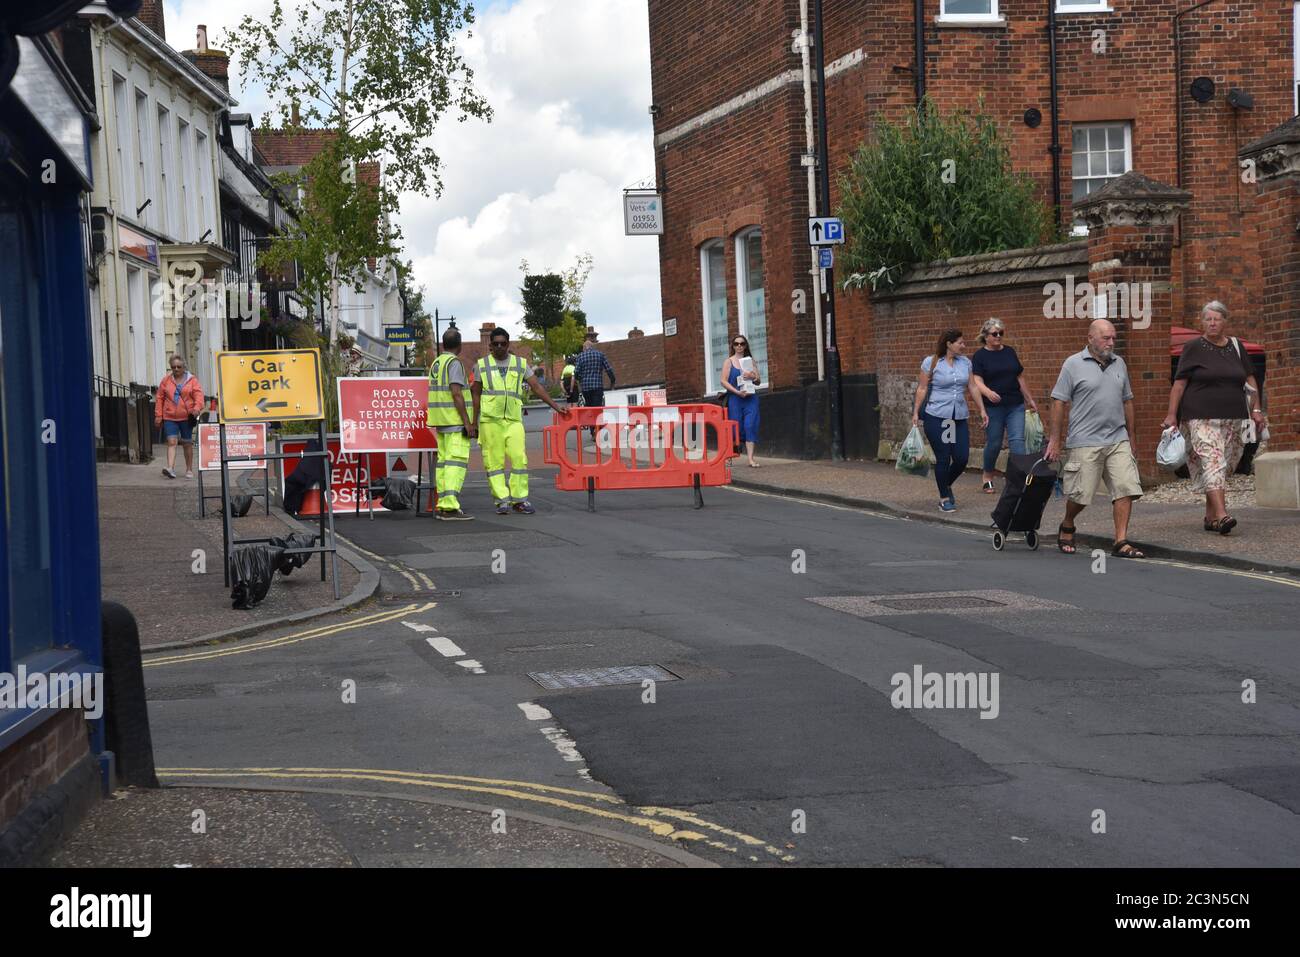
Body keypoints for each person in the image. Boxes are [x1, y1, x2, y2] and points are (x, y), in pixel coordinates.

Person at [1161, 301, 1267, 535]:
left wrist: (1257, 410)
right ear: (1202, 322)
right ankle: (1222, 515)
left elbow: (1250, 380)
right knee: (1213, 461)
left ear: (1224, 321)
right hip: (1200, 416)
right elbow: (1179, 385)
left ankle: (1210, 517)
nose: (1211, 323)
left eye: (1216, 319)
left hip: (1235, 417)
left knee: (1225, 465)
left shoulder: (1237, 347)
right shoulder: (1193, 348)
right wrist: (1171, 415)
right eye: (1207, 319)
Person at [1045, 319, 1145, 559]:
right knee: (1081, 494)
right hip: (1085, 439)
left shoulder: (1119, 363)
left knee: (1125, 487)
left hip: (1117, 438)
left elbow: (1127, 400)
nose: (1111, 342)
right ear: (1090, 338)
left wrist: (1132, 437)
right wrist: (1055, 440)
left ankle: (1120, 541)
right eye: (1105, 338)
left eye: (1113, 338)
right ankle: (1068, 523)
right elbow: (1059, 401)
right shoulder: (1072, 364)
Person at [471, 327, 570, 515]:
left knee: (519, 459)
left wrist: (556, 406)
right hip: (490, 421)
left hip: (513, 420)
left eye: (503, 343)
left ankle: (519, 500)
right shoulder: (481, 365)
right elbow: (475, 394)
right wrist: (473, 422)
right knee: (494, 463)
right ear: (490, 345)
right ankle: (501, 501)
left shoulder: (520, 363)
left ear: (508, 344)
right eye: (496, 344)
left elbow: (536, 387)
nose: (500, 347)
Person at [912, 329, 987, 512]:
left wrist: (982, 410)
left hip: (957, 417)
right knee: (944, 457)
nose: (963, 345)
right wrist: (915, 412)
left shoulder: (965, 363)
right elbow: (922, 388)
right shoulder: (931, 362)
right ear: (949, 344)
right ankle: (944, 497)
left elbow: (972, 386)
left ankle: (945, 485)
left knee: (961, 458)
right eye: (960, 342)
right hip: (937, 416)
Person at [970, 318, 1040, 492]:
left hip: (1015, 405)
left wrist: (1029, 399)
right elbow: (976, 380)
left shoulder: (1009, 351)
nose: (999, 336)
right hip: (993, 408)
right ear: (986, 336)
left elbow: (1019, 377)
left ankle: (1018, 479)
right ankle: (987, 475)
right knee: (994, 443)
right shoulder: (980, 356)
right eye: (995, 334)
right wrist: (987, 392)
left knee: (1017, 442)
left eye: (1001, 333)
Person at [427, 327, 476, 521]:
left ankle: (444, 504)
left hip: (441, 421)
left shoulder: (436, 363)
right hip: (454, 421)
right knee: (455, 462)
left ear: (443, 344)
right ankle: (450, 506)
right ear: (460, 345)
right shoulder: (454, 363)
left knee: (444, 463)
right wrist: (468, 422)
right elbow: (456, 393)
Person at [154, 354, 203, 479]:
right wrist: (158, 415)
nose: (176, 369)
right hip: (169, 416)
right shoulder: (166, 381)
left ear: (183, 367)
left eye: (179, 367)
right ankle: (170, 468)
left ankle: (189, 469)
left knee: (187, 443)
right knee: (171, 442)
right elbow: (159, 398)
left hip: (187, 416)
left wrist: (196, 409)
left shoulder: (192, 380)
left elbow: (199, 396)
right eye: (173, 367)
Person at [721, 333, 761, 467]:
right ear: (733, 346)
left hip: (750, 399)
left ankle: (750, 459)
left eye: (742, 344)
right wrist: (737, 391)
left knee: (750, 426)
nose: (739, 346)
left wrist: (752, 376)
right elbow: (723, 381)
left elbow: (758, 381)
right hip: (735, 398)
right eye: (736, 344)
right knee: (734, 428)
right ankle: (729, 457)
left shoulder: (750, 361)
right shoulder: (729, 361)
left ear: (745, 346)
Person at [573, 334, 615, 408]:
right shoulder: (600, 355)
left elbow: (576, 372)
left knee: (589, 408)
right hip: (597, 387)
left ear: (584, 348)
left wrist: (579, 379)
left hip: (586, 388)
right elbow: (609, 369)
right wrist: (612, 381)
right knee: (597, 408)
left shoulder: (580, 356)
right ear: (592, 347)